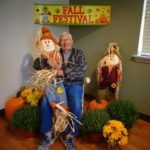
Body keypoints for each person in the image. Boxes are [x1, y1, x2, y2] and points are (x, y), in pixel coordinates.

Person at [35, 31, 87, 150]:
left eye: (67, 39)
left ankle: (70, 136)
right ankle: (47, 135)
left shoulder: (79, 53)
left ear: (72, 41)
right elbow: (36, 64)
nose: (65, 42)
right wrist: (46, 60)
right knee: (44, 103)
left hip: (74, 84)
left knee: (77, 106)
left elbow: (82, 69)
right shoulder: (54, 52)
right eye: (62, 40)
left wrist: (62, 72)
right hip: (57, 85)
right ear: (59, 42)